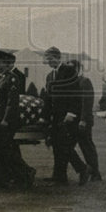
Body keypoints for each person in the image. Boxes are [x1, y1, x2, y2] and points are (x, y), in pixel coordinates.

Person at [41, 47, 90, 185]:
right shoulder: (50, 76)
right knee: (57, 146)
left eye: (50, 58)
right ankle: (60, 177)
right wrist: (44, 116)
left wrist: (72, 113)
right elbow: (48, 98)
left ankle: (82, 169)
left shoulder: (69, 71)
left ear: (58, 57)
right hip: (56, 116)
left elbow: (75, 94)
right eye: (47, 59)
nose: (48, 61)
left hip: (68, 116)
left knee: (64, 146)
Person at [0, 49, 36, 189]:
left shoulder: (12, 78)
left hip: (7, 120)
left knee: (7, 149)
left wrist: (5, 119)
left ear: (5, 63)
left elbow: (12, 102)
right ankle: (1, 179)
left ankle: (26, 172)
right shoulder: (1, 78)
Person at [73, 61, 101, 181]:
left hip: (83, 121)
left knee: (86, 146)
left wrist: (83, 119)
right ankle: (87, 170)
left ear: (78, 69)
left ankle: (95, 172)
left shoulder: (84, 82)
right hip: (74, 121)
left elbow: (87, 103)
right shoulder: (72, 83)